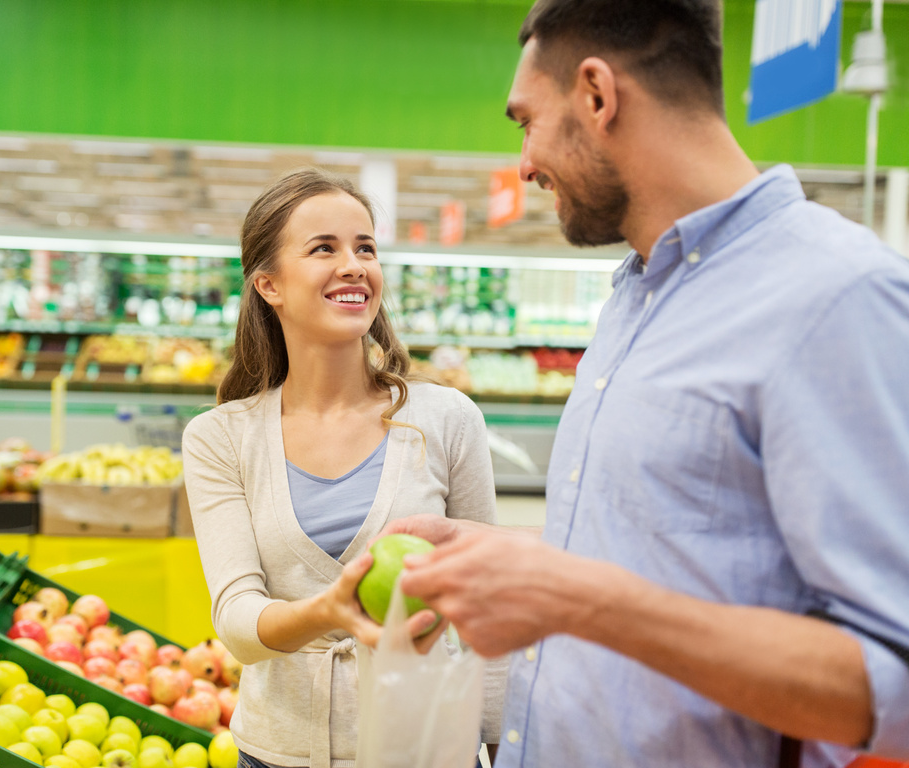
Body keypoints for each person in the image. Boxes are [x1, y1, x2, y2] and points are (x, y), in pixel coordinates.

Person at [386, 1, 909, 767]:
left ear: (597, 95)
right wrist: (506, 555)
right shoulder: (638, 293)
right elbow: (690, 550)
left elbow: (891, 689)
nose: (524, 163)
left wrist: (573, 597)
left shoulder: (837, 296)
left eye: (525, 121)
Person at [182, 168, 506, 768]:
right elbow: (237, 621)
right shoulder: (220, 438)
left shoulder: (445, 418)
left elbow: (484, 605)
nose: (354, 265)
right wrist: (329, 612)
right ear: (269, 284)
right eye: (323, 248)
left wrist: (498, 747)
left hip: (427, 747)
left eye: (366, 248)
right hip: (279, 752)